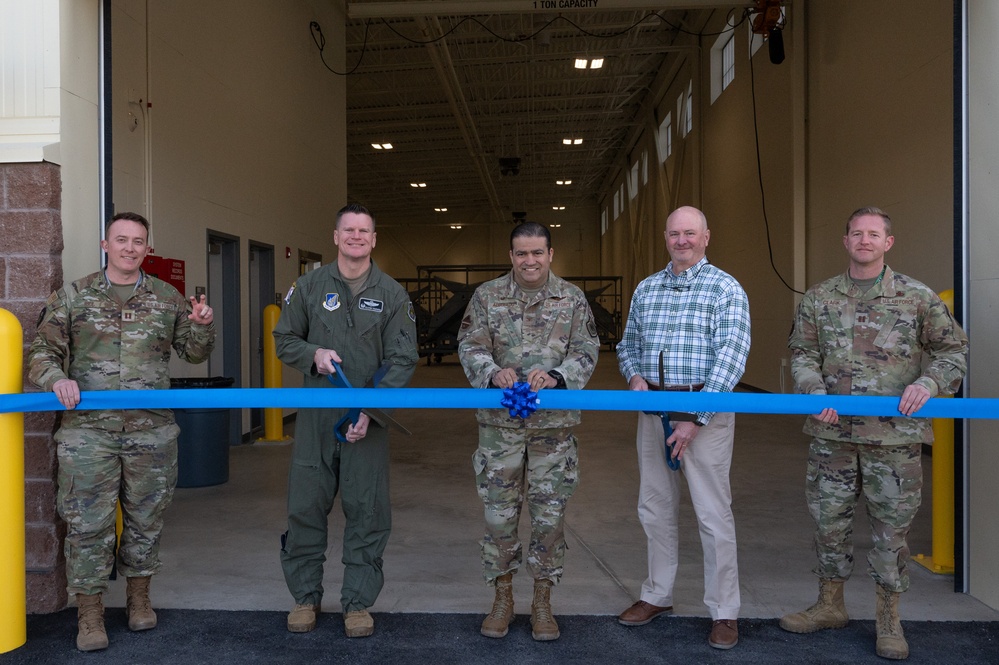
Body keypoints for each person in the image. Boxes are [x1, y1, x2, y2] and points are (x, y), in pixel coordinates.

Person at [781, 206, 968, 660]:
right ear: (845, 241)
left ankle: (889, 619)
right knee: (830, 526)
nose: (864, 240)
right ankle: (830, 605)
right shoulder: (819, 297)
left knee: (891, 533)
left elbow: (953, 351)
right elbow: (802, 352)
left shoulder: (917, 297)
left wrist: (929, 383)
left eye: (874, 234)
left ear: (888, 243)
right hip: (833, 436)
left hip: (895, 440)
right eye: (856, 233)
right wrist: (810, 388)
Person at [27, 211, 216, 652]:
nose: (130, 248)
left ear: (147, 248)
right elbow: (41, 350)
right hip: (88, 434)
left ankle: (138, 600)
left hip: (151, 432)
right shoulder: (73, 296)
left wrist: (203, 327)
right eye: (122, 239)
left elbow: (191, 353)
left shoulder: (167, 297)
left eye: (138, 241)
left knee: (146, 520)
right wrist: (57, 378)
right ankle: (90, 614)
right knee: (87, 524)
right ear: (105, 244)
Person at [273, 203, 418, 639]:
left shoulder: (392, 295)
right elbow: (284, 339)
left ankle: (357, 603)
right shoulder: (309, 286)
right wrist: (311, 355)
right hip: (317, 418)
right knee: (305, 508)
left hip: (367, 423)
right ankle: (304, 598)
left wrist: (370, 413)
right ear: (336, 236)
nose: (356, 237)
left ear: (374, 240)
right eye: (348, 230)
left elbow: (402, 358)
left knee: (368, 512)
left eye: (365, 231)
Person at [615, 205, 751, 650]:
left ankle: (724, 611)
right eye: (674, 233)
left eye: (690, 233)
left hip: (703, 411)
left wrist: (696, 418)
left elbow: (731, 356)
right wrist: (633, 374)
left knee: (712, 513)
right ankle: (657, 595)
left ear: (706, 236)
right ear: (666, 237)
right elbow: (627, 342)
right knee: (654, 507)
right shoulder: (647, 288)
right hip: (653, 411)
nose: (681, 241)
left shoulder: (725, 288)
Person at [457, 222, 599, 642]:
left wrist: (557, 375)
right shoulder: (487, 296)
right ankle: (502, 597)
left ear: (550, 254)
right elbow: (470, 346)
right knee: (499, 516)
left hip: (552, 432)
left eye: (537, 253)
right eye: (521, 253)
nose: (530, 261)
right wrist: (491, 372)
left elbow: (587, 350)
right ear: (511, 256)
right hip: (500, 430)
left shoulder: (571, 298)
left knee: (549, 518)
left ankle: (542, 599)